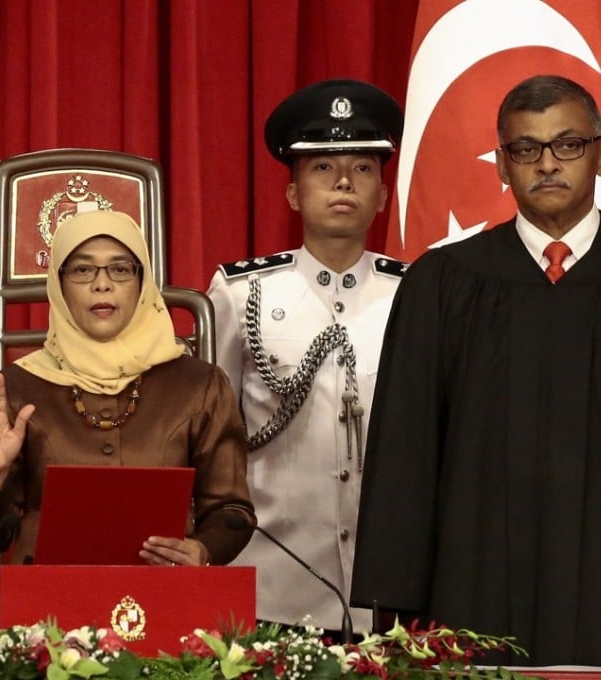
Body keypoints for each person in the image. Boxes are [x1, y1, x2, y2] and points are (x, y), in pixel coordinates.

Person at [351, 74, 601, 665]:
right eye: (526, 148)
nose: (547, 164)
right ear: (502, 165)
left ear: (596, 152)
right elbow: (406, 455)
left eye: (567, 144)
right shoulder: (442, 282)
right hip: (474, 584)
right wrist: (395, 602)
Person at [207, 79, 405, 635]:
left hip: (384, 586)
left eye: (362, 168)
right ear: (293, 194)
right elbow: (209, 431)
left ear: (382, 195)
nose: (343, 181)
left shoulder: (414, 294)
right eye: (323, 167)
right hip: (270, 581)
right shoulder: (241, 293)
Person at [0, 210, 256, 566]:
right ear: (59, 285)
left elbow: (232, 511)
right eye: (83, 270)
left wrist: (203, 549)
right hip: (48, 599)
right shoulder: (15, 389)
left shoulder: (199, 385)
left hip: (165, 593)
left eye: (120, 269)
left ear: (142, 282)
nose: (102, 284)